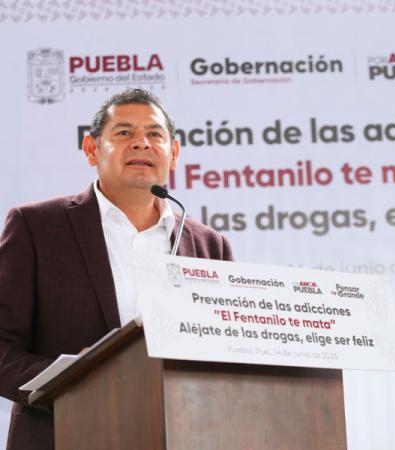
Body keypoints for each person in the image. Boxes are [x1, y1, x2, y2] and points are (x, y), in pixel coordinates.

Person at [0, 89, 233, 450]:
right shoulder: (36, 227)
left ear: (173, 153)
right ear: (91, 149)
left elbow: (228, 355)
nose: (141, 143)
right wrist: (69, 379)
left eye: (155, 134)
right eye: (124, 132)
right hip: (63, 435)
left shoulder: (209, 246)